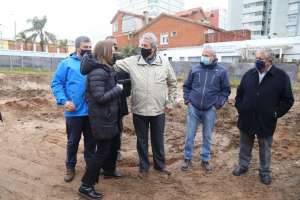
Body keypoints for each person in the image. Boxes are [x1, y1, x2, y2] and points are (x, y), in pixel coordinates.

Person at [114, 32, 178, 176]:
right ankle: (143, 167)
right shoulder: (132, 61)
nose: (142, 48)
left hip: (158, 110)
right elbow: (113, 65)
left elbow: (173, 84)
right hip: (139, 109)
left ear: (154, 48)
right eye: (141, 45)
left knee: (158, 139)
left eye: (146, 46)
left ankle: (160, 165)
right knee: (141, 140)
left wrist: (171, 102)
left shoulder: (164, 63)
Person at [233, 50, 294, 185]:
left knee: (265, 147)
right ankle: (243, 166)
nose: (257, 61)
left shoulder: (281, 77)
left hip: (266, 121)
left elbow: (288, 100)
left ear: (269, 61)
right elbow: (240, 93)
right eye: (256, 58)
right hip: (247, 118)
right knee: (244, 145)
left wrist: (275, 113)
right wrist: (241, 108)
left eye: (260, 59)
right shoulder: (249, 74)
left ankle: (264, 172)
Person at [78, 40, 123, 199]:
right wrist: (117, 89)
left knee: (103, 151)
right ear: (105, 52)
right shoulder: (98, 71)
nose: (114, 52)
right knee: (101, 152)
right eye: (112, 50)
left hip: (106, 117)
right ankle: (86, 186)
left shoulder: (104, 68)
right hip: (101, 118)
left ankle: (88, 183)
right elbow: (99, 97)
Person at [51, 36, 95, 182]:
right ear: (77, 48)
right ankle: (70, 167)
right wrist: (64, 101)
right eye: (85, 47)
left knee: (91, 142)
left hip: (92, 112)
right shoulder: (66, 64)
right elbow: (57, 83)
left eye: (90, 47)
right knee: (73, 142)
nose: (88, 50)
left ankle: (90, 168)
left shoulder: (94, 63)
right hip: (74, 112)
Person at [181, 46, 231, 173]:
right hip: (194, 107)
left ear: (213, 57)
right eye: (203, 54)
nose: (204, 57)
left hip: (210, 109)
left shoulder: (221, 71)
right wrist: (187, 100)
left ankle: (205, 159)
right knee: (190, 135)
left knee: (207, 136)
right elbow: (186, 86)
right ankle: (187, 158)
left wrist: (218, 104)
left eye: (207, 55)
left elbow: (226, 90)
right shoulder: (195, 69)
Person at [105, 35, 131, 161]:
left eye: (115, 44)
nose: (113, 47)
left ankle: (117, 150)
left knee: (118, 127)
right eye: (110, 44)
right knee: (104, 127)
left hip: (119, 102)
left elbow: (127, 88)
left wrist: (122, 87)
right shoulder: (100, 61)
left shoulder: (122, 63)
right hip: (104, 103)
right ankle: (104, 151)